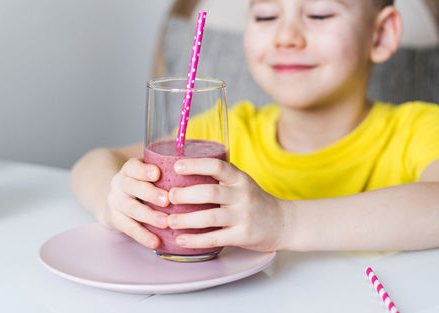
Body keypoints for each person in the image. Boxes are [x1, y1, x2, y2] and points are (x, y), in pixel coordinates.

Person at [70, 0, 439, 253]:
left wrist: (284, 221)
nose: (286, 36)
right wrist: (113, 202)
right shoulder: (232, 133)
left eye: (320, 14)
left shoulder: (417, 129)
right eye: (265, 16)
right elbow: (94, 162)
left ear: (381, 35)